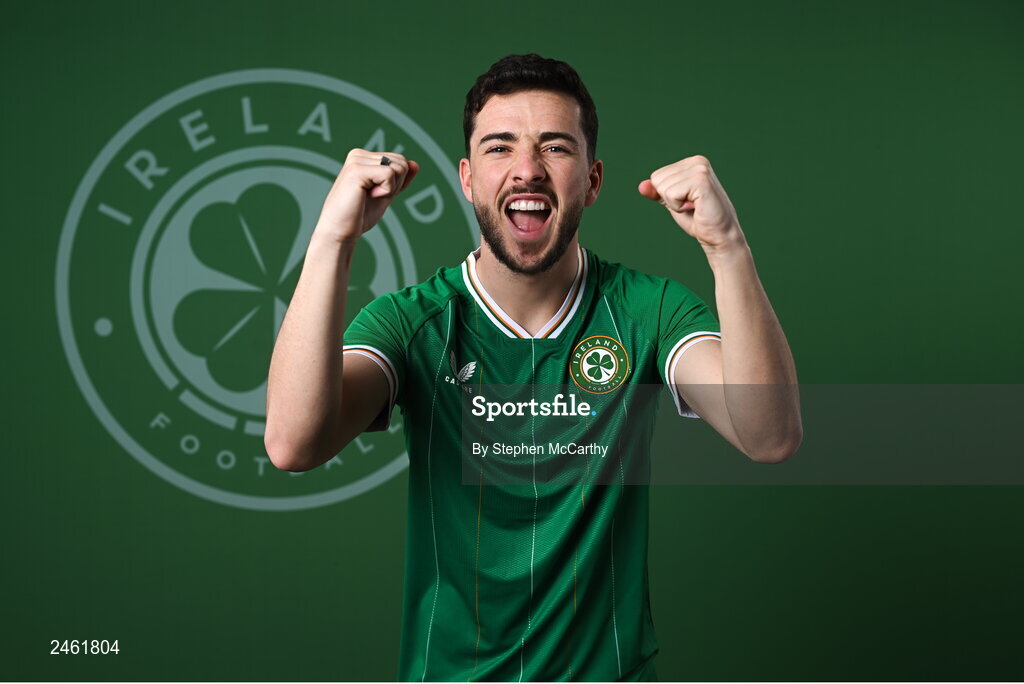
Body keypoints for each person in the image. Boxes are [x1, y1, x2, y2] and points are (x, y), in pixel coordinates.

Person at [265, 53, 801, 681]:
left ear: (592, 181)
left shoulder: (647, 310)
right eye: (500, 148)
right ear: (468, 179)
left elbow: (770, 436)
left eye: (555, 147)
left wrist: (727, 247)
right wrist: (332, 240)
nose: (527, 169)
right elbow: (293, 443)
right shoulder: (414, 321)